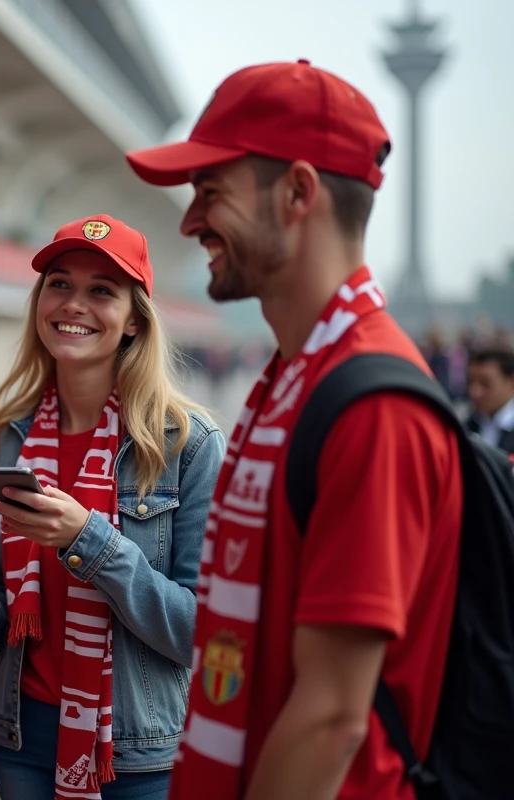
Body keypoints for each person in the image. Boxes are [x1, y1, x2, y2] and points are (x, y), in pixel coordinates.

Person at [127, 59, 464, 800]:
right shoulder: (295, 375)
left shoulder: (372, 401)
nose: (188, 221)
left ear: (298, 193)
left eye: (210, 192)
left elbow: (331, 719)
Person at [0, 214, 224, 800]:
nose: (74, 304)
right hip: (20, 738)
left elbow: (202, 633)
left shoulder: (190, 444)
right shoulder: (12, 436)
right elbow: (10, 610)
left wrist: (90, 539)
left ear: (135, 319)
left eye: (101, 290)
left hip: (136, 757)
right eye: (60, 283)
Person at [465, 346, 514, 455]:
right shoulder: (467, 427)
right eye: (470, 383)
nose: (475, 392)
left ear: (511, 382)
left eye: (485, 384)